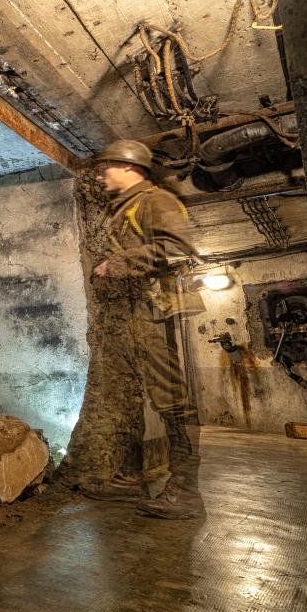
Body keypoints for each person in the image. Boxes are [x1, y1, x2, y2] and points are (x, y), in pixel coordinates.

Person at [83, 139, 205, 519]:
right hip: (131, 315)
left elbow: (178, 250)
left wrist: (115, 266)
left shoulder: (155, 200)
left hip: (155, 312)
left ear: (131, 168)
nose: (101, 175)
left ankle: (185, 490)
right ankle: (130, 476)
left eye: (107, 167)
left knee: (170, 400)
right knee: (126, 394)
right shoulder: (123, 210)